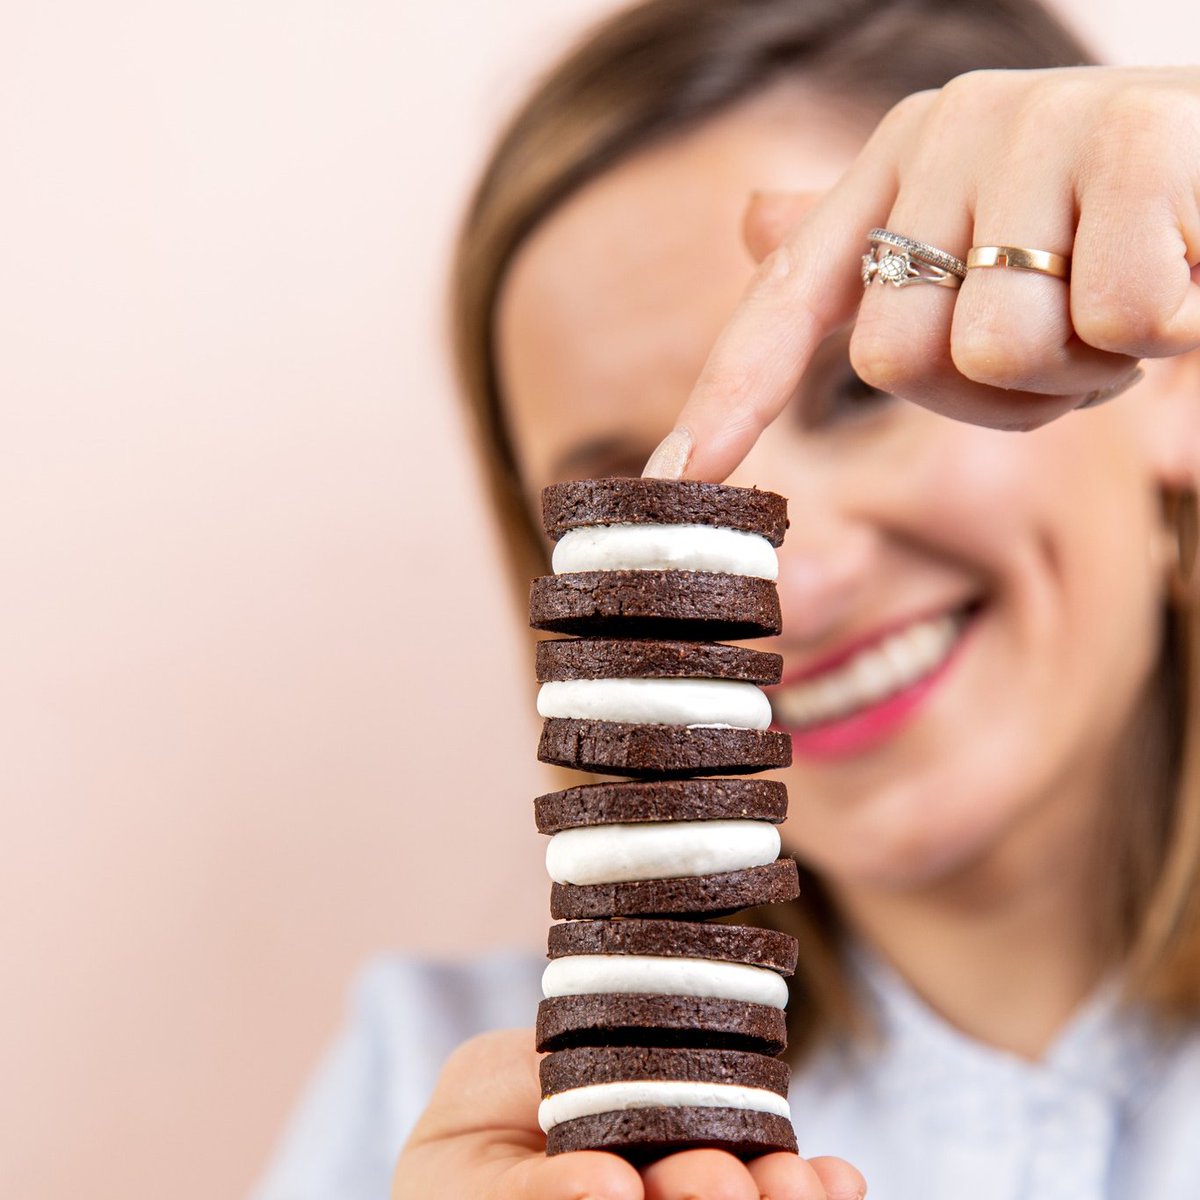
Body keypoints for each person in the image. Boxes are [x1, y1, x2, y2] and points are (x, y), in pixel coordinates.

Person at [253, 2, 1200, 1197]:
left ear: (1172, 380)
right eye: (642, 492)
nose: (786, 593)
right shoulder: (436, 1097)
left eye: (865, 394)